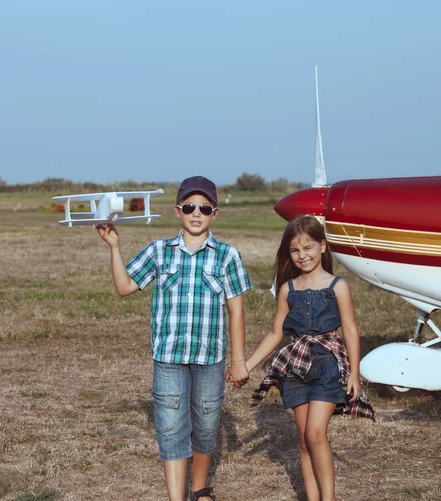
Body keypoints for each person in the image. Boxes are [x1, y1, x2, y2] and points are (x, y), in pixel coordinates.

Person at [97, 176, 252, 501]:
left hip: (210, 358)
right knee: (170, 427)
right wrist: (114, 247)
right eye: (189, 207)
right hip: (168, 357)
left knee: (207, 425)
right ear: (178, 211)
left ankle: (199, 489)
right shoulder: (158, 250)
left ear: (215, 214)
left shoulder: (227, 256)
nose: (197, 214)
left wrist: (238, 360)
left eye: (204, 208)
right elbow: (125, 287)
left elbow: (236, 311)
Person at [233, 215, 374, 501]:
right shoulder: (288, 289)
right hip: (295, 368)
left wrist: (354, 374)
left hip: (327, 367)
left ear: (322, 246)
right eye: (295, 250)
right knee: (303, 439)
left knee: (315, 433)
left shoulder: (338, 287)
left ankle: (329, 497)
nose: (302, 255)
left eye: (308, 248)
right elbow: (275, 333)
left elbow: (350, 330)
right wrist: (246, 365)